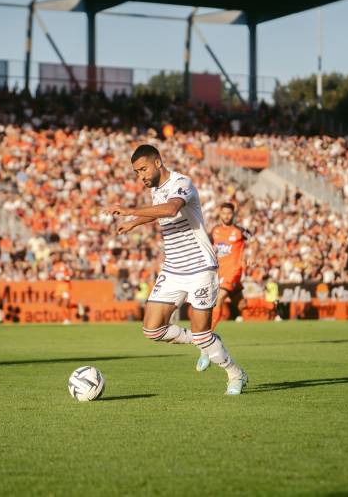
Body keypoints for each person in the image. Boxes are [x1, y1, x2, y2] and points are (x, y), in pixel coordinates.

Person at [105, 144, 248, 395]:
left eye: (143, 169)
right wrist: (134, 223)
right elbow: (158, 213)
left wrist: (130, 210)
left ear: (158, 162)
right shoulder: (156, 190)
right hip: (173, 268)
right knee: (152, 329)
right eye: (137, 172)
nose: (141, 176)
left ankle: (235, 374)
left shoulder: (183, 183)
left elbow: (171, 209)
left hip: (200, 266)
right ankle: (206, 342)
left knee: (203, 332)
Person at [196, 202, 251, 372]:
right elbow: (206, 246)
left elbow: (253, 242)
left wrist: (249, 258)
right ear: (220, 214)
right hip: (220, 273)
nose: (227, 216)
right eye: (224, 213)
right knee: (242, 305)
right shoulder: (215, 231)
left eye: (229, 213)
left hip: (234, 271)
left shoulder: (240, 231)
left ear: (233, 214)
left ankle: (206, 343)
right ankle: (274, 309)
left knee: (218, 300)